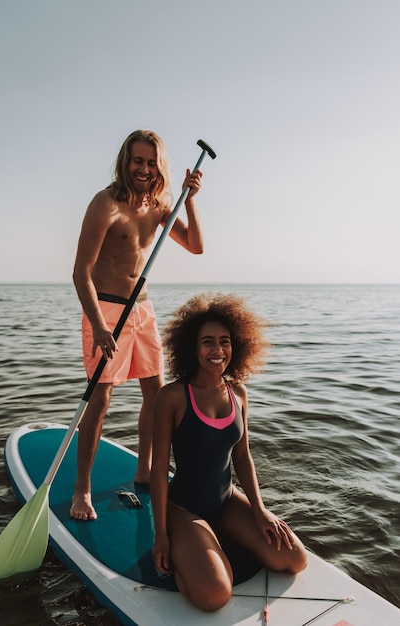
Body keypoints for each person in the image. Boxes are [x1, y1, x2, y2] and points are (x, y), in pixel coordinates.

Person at [71, 129, 204, 520]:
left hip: (142, 311)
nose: (143, 169)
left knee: (157, 395)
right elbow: (81, 272)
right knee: (100, 400)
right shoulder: (105, 204)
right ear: (125, 161)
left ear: (157, 165)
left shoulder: (161, 205)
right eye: (137, 160)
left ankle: (146, 468)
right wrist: (97, 325)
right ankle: (82, 488)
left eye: (150, 162)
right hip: (106, 311)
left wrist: (189, 201)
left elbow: (195, 246)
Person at [150, 293, 308, 612]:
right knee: (215, 596)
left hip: (226, 502)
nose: (218, 350)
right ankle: (192, 553)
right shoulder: (172, 397)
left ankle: (220, 535)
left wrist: (260, 510)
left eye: (225, 341)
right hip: (185, 509)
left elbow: (242, 457)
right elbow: (158, 469)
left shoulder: (238, 392)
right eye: (208, 342)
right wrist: (161, 534)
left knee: (293, 559)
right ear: (192, 348)